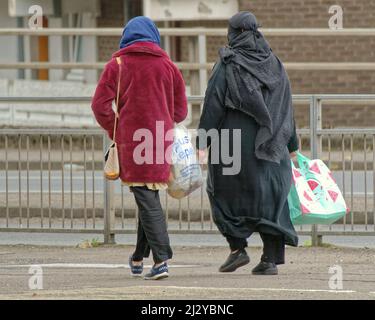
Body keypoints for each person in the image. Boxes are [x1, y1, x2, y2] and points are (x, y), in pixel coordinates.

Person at [196, 11, 299, 275]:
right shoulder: (274, 63)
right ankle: (270, 261)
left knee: (221, 193)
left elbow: (213, 105)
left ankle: (237, 248)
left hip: (234, 147)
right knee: (270, 201)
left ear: (234, 33)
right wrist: (293, 144)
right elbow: (286, 105)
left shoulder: (228, 64)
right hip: (273, 146)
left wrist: (202, 142)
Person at [92, 16, 188, 280]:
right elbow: (180, 110)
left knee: (145, 197)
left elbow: (99, 105)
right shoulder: (168, 66)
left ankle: (161, 260)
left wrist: (116, 128)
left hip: (132, 143)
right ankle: (137, 257)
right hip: (160, 140)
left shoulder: (117, 65)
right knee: (147, 196)